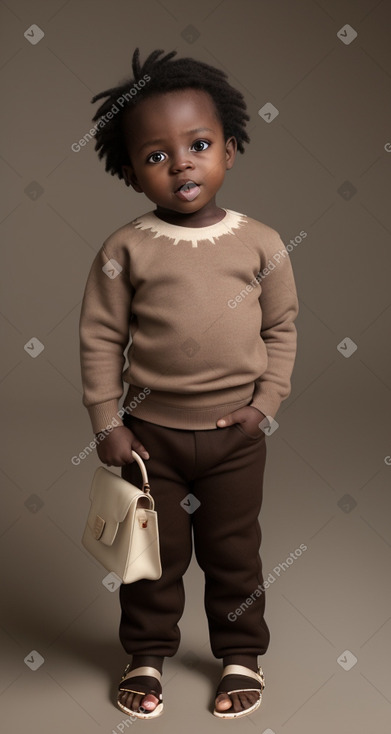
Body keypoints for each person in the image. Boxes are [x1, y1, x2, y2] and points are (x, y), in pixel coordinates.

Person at [79, 47, 299, 720]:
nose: (180, 164)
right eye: (155, 155)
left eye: (198, 145)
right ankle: (144, 656)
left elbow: (281, 330)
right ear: (131, 173)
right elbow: (99, 338)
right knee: (150, 556)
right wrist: (108, 425)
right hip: (149, 439)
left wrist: (265, 406)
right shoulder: (125, 249)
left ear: (230, 150)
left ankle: (240, 656)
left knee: (235, 552)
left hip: (235, 435)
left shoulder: (260, 243)